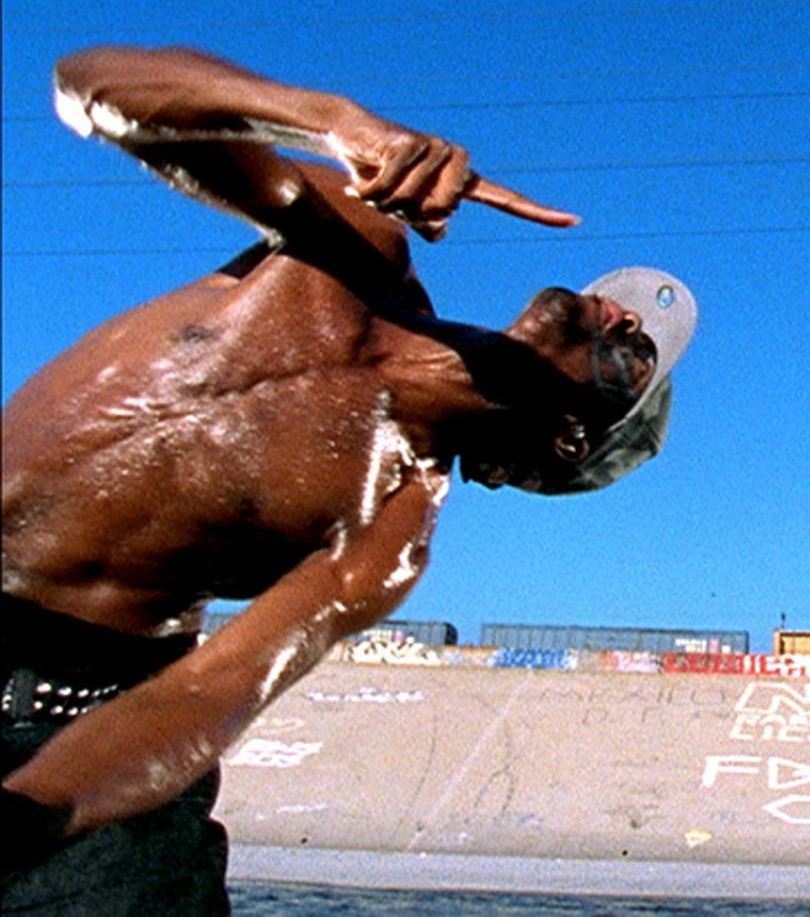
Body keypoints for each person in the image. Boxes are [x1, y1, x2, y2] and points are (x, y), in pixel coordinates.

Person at [1, 45, 697, 912]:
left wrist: (34, 813)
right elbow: (93, 87)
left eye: (636, 355)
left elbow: (208, 693)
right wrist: (331, 120)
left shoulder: (390, 529)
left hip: (72, 738)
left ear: (568, 439)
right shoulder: (355, 253)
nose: (624, 317)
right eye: (633, 319)